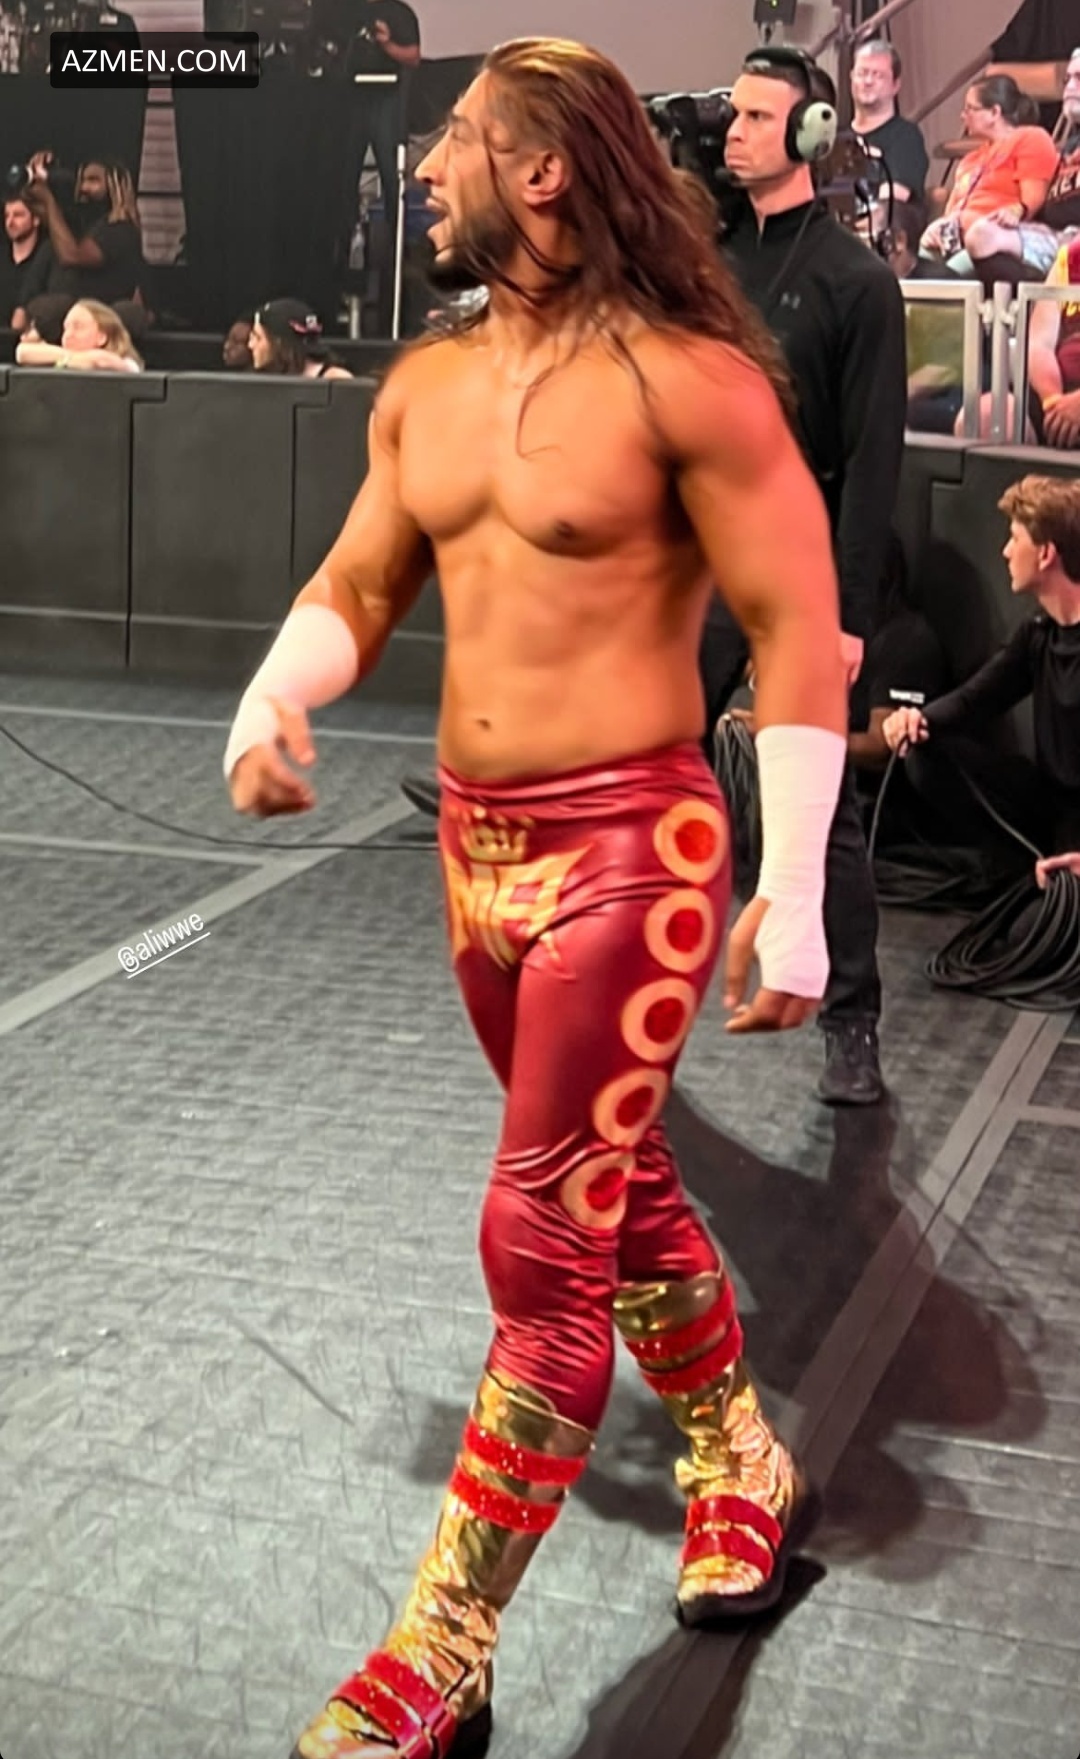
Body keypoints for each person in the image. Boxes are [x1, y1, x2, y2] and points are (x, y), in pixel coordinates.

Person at [224, 37, 848, 1759]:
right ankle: (736, 1452)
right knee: (610, 1184)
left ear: (546, 168)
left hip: (631, 857)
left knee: (539, 1238)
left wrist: (794, 888)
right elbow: (361, 575)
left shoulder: (692, 383)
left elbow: (799, 625)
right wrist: (275, 692)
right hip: (480, 856)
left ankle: (444, 1638)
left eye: (456, 141)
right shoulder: (425, 386)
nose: (429, 169)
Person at [700, 45, 907, 1105]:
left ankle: (852, 1024)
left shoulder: (857, 282)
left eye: (754, 117)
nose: (733, 132)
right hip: (703, 555)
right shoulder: (703, 258)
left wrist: (850, 617)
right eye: (730, 115)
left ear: (812, 134)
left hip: (805, 566)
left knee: (823, 814)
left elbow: (874, 463)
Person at [883, 476, 1080, 868]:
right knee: (925, 752)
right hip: (1049, 805)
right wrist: (916, 720)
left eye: (1015, 539)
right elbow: (975, 699)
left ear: (1045, 554)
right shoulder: (1038, 633)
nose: (1006, 551)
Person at [960, 47, 1080, 279]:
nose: (1070, 87)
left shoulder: (1033, 139)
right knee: (983, 235)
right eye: (1067, 79)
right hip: (1055, 236)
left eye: (1079, 78)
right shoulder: (1067, 147)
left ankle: (1038, 298)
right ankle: (1030, 296)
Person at [338, 0, 422, 332]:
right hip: (351, 102)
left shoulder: (399, 12)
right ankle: (343, 256)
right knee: (343, 181)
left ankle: (396, 270)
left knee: (392, 183)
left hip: (388, 102)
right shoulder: (346, 12)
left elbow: (413, 56)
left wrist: (386, 43)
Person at [919, 76, 1058, 274]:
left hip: (993, 240)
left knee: (945, 275)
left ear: (994, 112)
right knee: (913, 270)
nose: (963, 116)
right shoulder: (970, 159)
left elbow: (1032, 200)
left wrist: (1014, 212)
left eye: (970, 109)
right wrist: (937, 228)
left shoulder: (1029, 138)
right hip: (954, 238)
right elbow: (950, 212)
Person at [20, 156, 144, 308]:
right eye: (83, 181)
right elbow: (53, 223)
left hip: (98, 314)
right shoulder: (88, 224)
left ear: (115, 186)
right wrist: (27, 192)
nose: (84, 187)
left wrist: (49, 201)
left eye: (93, 180)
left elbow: (72, 256)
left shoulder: (120, 229)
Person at [850, 37, 929, 204]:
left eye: (878, 75)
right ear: (851, 78)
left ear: (895, 85)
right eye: (862, 73)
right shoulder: (835, 136)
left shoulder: (906, 137)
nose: (868, 81)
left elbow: (892, 203)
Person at [1028, 232, 1080, 447]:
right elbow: (1039, 344)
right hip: (1058, 398)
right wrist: (1054, 404)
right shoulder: (1072, 259)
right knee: (987, 414)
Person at [14, 297, 143, 372]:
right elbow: (22, 352)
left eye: (78, 327)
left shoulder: (129, 365)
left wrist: (59, 357)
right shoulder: (67, 359)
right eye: (66, 328)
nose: (68, 335)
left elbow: (99, 361)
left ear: (102, 337)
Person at [248, 299, 354, 378]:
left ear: (279, 343)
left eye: (258, 337)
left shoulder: (335, 379)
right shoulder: (256, 381)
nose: (250, 345)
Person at [1, 195, 45, 328]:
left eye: (18, 215)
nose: (10, 222)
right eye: (7, 216)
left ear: (36, 219)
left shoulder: (45, 258)